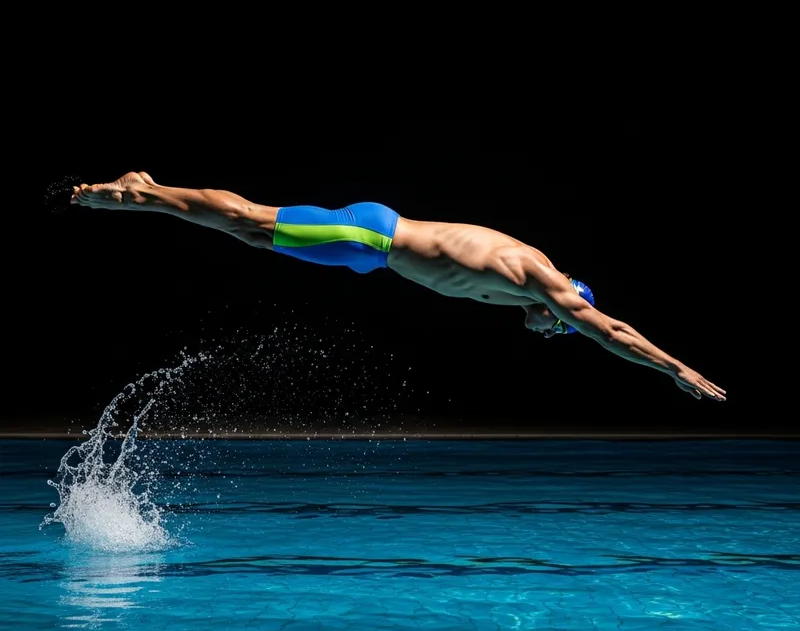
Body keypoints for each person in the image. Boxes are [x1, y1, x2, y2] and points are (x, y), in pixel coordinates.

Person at [71, 172, 726, 402]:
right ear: (564, 306)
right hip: (372, 238)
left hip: (371, 261)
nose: (550, 331)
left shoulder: (526, 286)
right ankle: (143, 192)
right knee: (251, 222)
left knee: (250, 232)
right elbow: (609, 330)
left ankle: (152, 194)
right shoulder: (543, 280)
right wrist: (676, 369)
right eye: (559, 325)